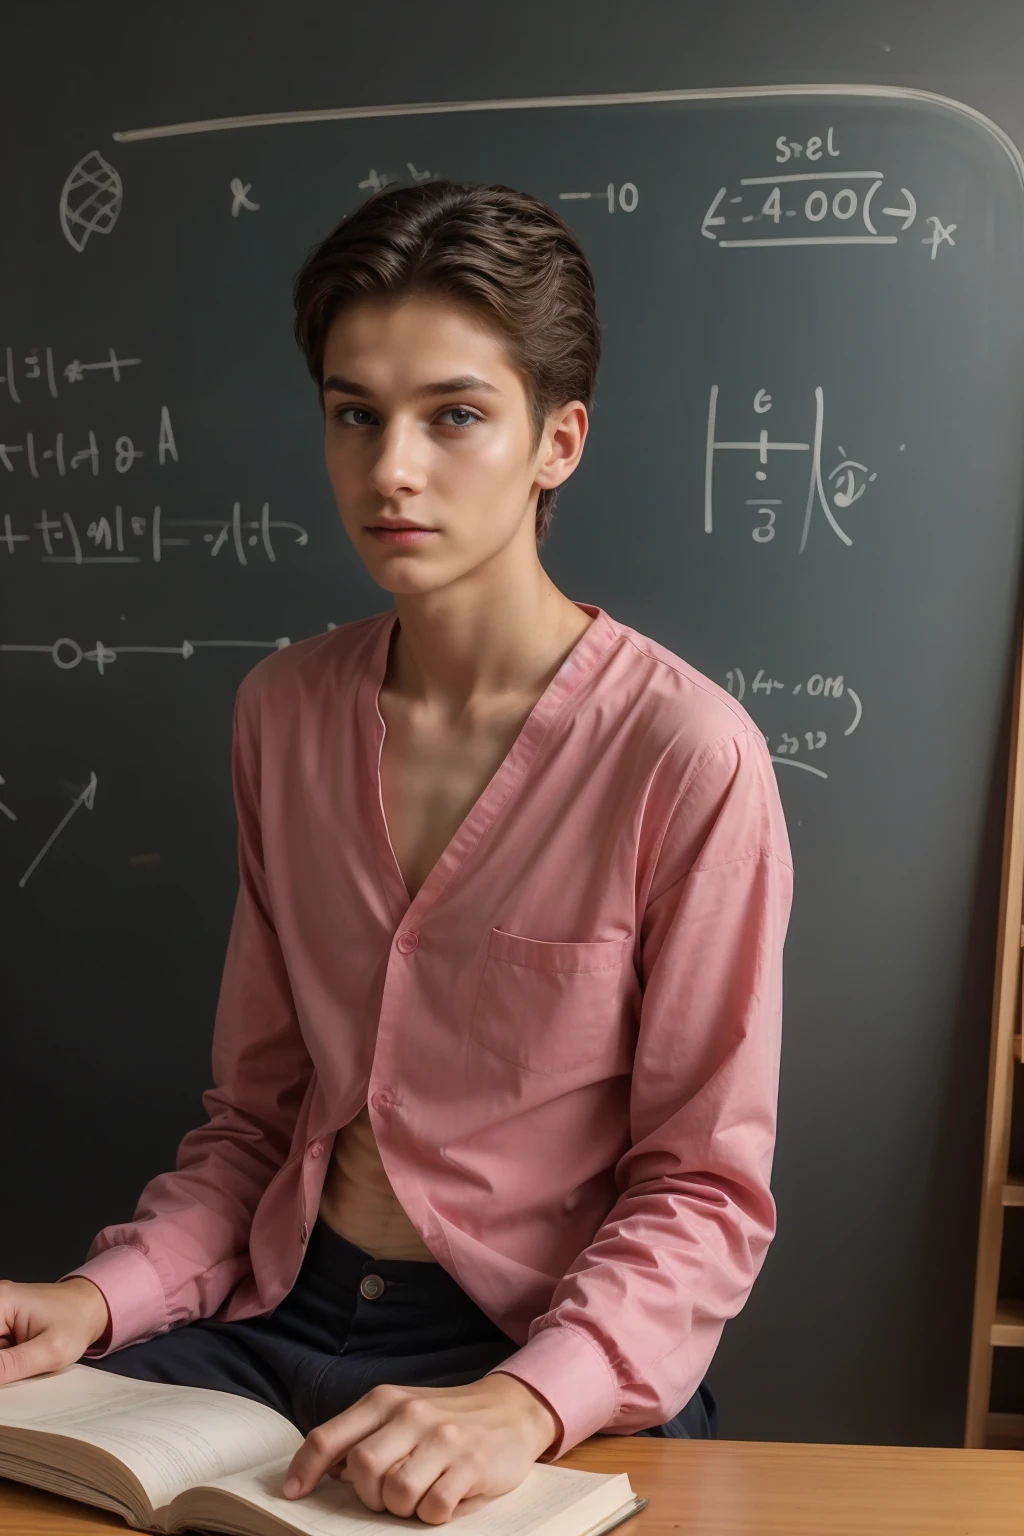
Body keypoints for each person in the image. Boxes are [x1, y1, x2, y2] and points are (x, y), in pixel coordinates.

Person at [0, 180, 793, 1524]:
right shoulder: (283, 715)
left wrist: (525, 1403)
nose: (391, 470)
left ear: (561, 440)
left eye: (455, 415)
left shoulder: (687, 756)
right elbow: (252, 1124)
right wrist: (94, 1299)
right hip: (268, 1312)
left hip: (523, 1354)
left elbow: (703, 1189)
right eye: (355, 415)